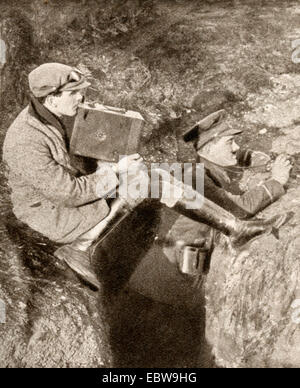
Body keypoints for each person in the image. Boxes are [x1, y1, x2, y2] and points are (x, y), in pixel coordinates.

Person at [2, 63, 287, 291]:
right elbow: (68, 193)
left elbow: (93, 149)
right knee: (150, 182)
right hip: (51, 212)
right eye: (74, 93)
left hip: (81, 187)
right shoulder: (25, 141)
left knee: (156, 178)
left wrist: (117, 158)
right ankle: (79, 247)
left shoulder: (64, 111)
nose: (82, 98)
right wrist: (115, 172)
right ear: (51, 98)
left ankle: (235, 229)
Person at [163, 109, 292, 276]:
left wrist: (259, 159)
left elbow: (241, 155)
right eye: (229, 142)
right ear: (208, 150)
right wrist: (277, 180)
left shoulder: (209, 167)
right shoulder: (195, 178)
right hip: (176, 273)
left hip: (188, 262)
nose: (236, 147)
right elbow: (240, 209)